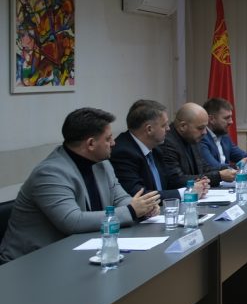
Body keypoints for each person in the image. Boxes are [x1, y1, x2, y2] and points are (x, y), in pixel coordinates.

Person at [0, 108, 161, 263]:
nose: (113, 143)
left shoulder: (102, 164)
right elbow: (72, 221)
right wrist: (132, 211)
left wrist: (143, 209)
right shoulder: (50, 173)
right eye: (108, 139)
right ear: (91, 144)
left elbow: (119, 198)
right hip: (32, 261)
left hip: (78, 251)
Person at [111, 99, 189, 203]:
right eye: (164, 125)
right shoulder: (123, 153)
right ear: (149, 129)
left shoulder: (156, 148)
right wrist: (184, 193)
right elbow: (140, 195)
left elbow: (169, 181)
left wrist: (193, 185)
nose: (168, 129)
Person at [160, 102, 235, 189]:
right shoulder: (167, 143)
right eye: (200, 128)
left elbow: (203, 168)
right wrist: (219, 176)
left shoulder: (191, 137)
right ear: (183, 126)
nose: (205, 132)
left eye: (205, 127)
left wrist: (228, 169)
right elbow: (176, 180)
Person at [199, 97, 247, 170]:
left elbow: (242, 156)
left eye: (231, 117)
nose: (231, 122)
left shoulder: (224, 136)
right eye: (227, 118)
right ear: (211, 119)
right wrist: (238, 166)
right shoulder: (201, 138)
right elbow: (214, 167)